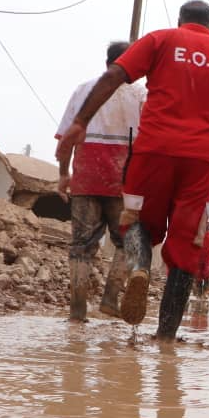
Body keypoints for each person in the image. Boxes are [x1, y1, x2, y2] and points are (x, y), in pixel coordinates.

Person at [56, 0, 209, 341]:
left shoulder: (160, 39)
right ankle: (165, 335)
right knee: (185, 245)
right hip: (202, 160)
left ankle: (138, 270)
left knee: (136, 221)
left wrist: (81, 122)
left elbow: (114, 76)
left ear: (180, 20)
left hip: (152, 152)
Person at [55, 41, 147, 322]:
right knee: (126, 241)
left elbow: (67, 136)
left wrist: (63, 174)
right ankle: (109, 298)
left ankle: (78, 309)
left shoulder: (84, 90)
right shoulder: (141, 94)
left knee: (81, 245)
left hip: (86, 172)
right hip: (125, 177)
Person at [194, 221, 209, 298]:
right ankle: (198, 295)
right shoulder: (198, 233)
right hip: (198, 260)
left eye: (207, 222)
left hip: (208, 260)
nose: (205, 224)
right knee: (198, 277)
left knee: (207, 276)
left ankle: (205, 294)